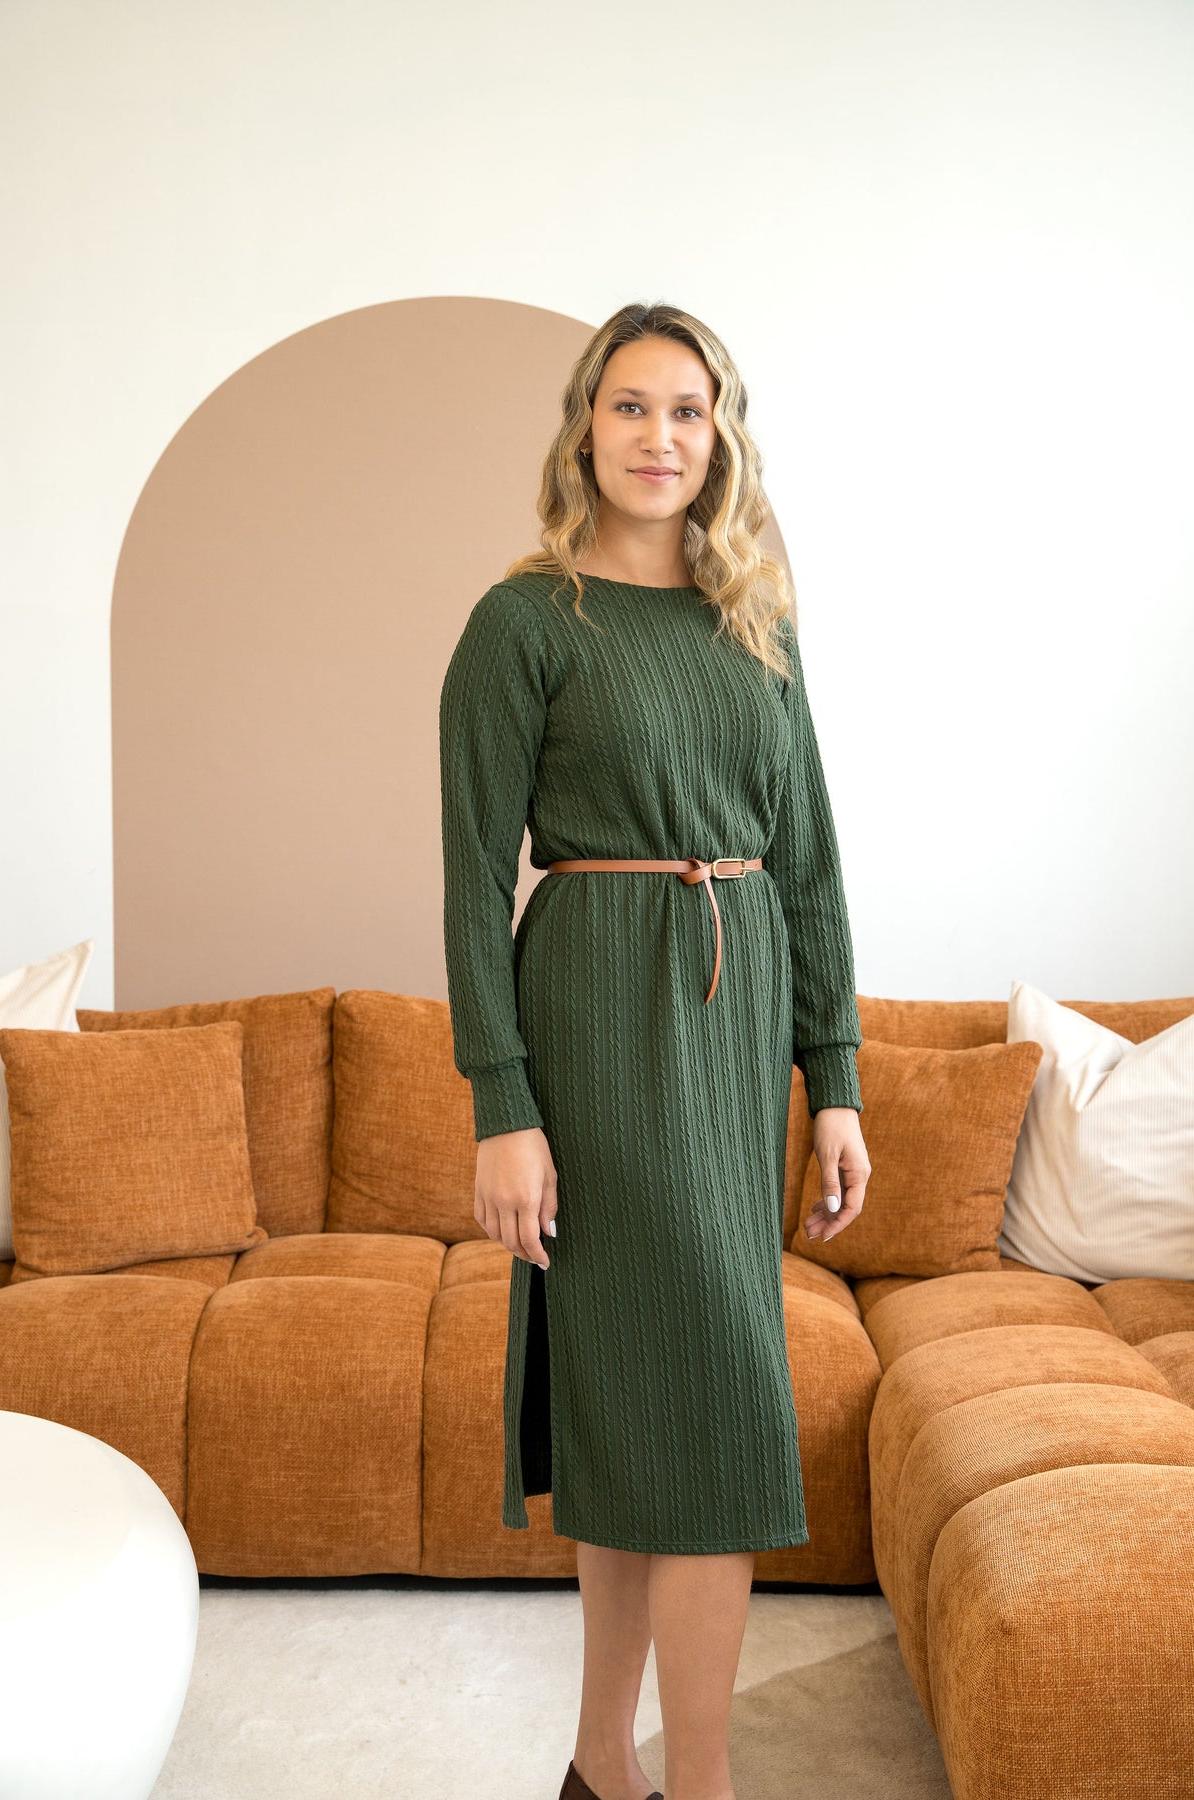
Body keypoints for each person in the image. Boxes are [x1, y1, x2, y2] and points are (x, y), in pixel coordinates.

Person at [438, 301, 871, 1800]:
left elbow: (809, 867)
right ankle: (702, 1785)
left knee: (666, 1417)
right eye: (630, 406)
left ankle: (601, 1773)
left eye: (689, 411)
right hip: (597, 1032)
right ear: (584, 428)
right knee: (680, 1410)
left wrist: (836, 1079)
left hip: (734, 1039)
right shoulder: (523, 623)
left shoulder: (758, 628)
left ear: (722, 438)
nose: (660, 437)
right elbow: (470, 878)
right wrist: (503, 1107)